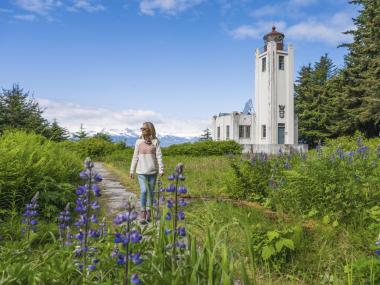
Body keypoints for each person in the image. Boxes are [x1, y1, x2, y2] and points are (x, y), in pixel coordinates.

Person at [130, 122, 164, 222]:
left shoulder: (155, 141)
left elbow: (159, 156)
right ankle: (142, 212)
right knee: (144, 190)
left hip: (153, 172)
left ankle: (149, 212)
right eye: (141, 128)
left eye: (144, 128)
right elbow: (135, 157)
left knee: (151, 192)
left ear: (150, 130)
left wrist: (161, 169)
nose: (142, 130)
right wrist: (132, 170)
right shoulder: (138, 142)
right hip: (141, 172)